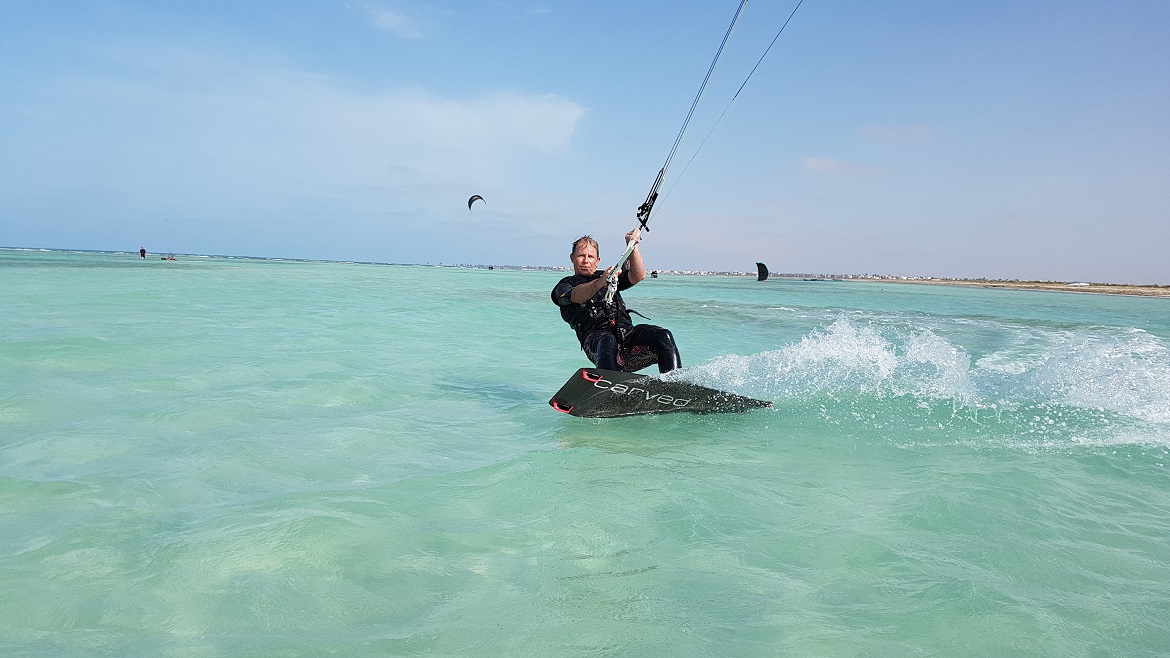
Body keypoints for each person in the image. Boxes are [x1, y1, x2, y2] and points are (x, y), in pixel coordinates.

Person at [551, 229, 681, 373]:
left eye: (590, 256)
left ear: (597, 260)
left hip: (627, 336)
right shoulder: (564, 286)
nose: (586, 260)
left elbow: (637, 275)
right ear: (572, 258)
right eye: (581, 256)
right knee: (607, 339)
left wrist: (633, 246)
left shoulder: (609, 278)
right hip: (597, 341)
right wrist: (600, 282)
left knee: (663, 335)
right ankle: (609, 384)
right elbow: (575, 295)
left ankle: (674, 381)